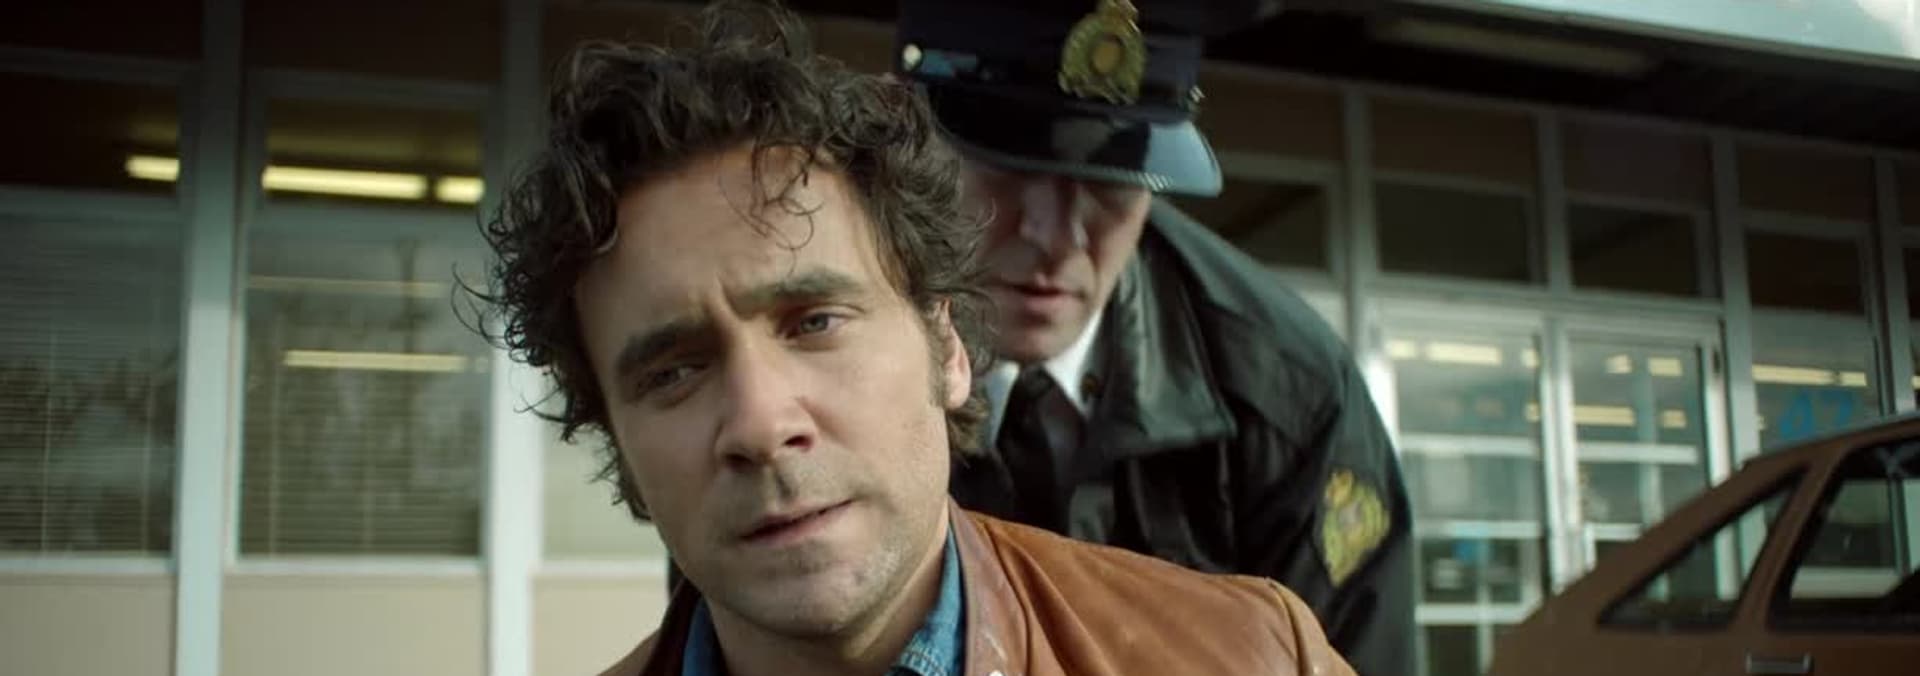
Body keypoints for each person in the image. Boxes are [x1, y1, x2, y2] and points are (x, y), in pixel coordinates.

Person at [474, 3, 1356, 675]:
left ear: (949, 344)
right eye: (673, 372)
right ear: (617, 444)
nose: (760, 423)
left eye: (815, 321)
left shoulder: (1255, 621)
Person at [894, 1, 1415, 673]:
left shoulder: (1288, 392)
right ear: (908, 137)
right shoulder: (824, 353)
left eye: (1109, 179)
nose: (1056, 236)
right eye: (1008, 168)